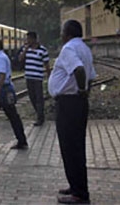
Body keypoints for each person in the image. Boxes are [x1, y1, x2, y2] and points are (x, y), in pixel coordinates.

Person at [48, 20, 95, 204]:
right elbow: (91, 76)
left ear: (67, 33)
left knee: (69, 148)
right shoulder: (84, 48)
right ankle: (76, 186)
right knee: (77, 147)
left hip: (68, 104)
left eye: (62, 32)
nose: (61, 35)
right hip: (78, 104)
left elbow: (79, 70)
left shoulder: (69, 48)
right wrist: (85, 93)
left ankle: (79, 193)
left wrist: (82, 90)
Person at [18, 31, 51, 126]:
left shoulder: (43, 50)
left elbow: (47, 65)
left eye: (28, 39)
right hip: (28, 77)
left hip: (38, 78)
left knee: (39, 98)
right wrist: (25, 50)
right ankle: (40, 114)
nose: (27, 41)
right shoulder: (25, 48)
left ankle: (40, 118)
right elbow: (20, 59)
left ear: (34, 39)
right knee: (32, 97)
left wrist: (49, 77)